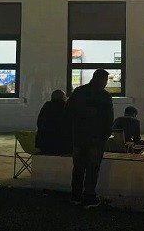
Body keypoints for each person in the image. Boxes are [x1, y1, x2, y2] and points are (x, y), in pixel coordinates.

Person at [66, 69, 114, 209]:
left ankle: (75, 196)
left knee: (78, 168)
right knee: (92, 168)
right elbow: (108, 119)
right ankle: (89, 197)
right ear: (102, 80)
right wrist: (105, 136)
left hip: (79, 136)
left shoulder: (79, 91)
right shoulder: (105, 96)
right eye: (106, 80)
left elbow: (68, 111)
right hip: (96, 138)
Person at [35, 89, 72, 155]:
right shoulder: (66, 106)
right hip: (62, 144)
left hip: (43, 142)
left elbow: (39, 122)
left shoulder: (46, 105)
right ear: (63, 97)